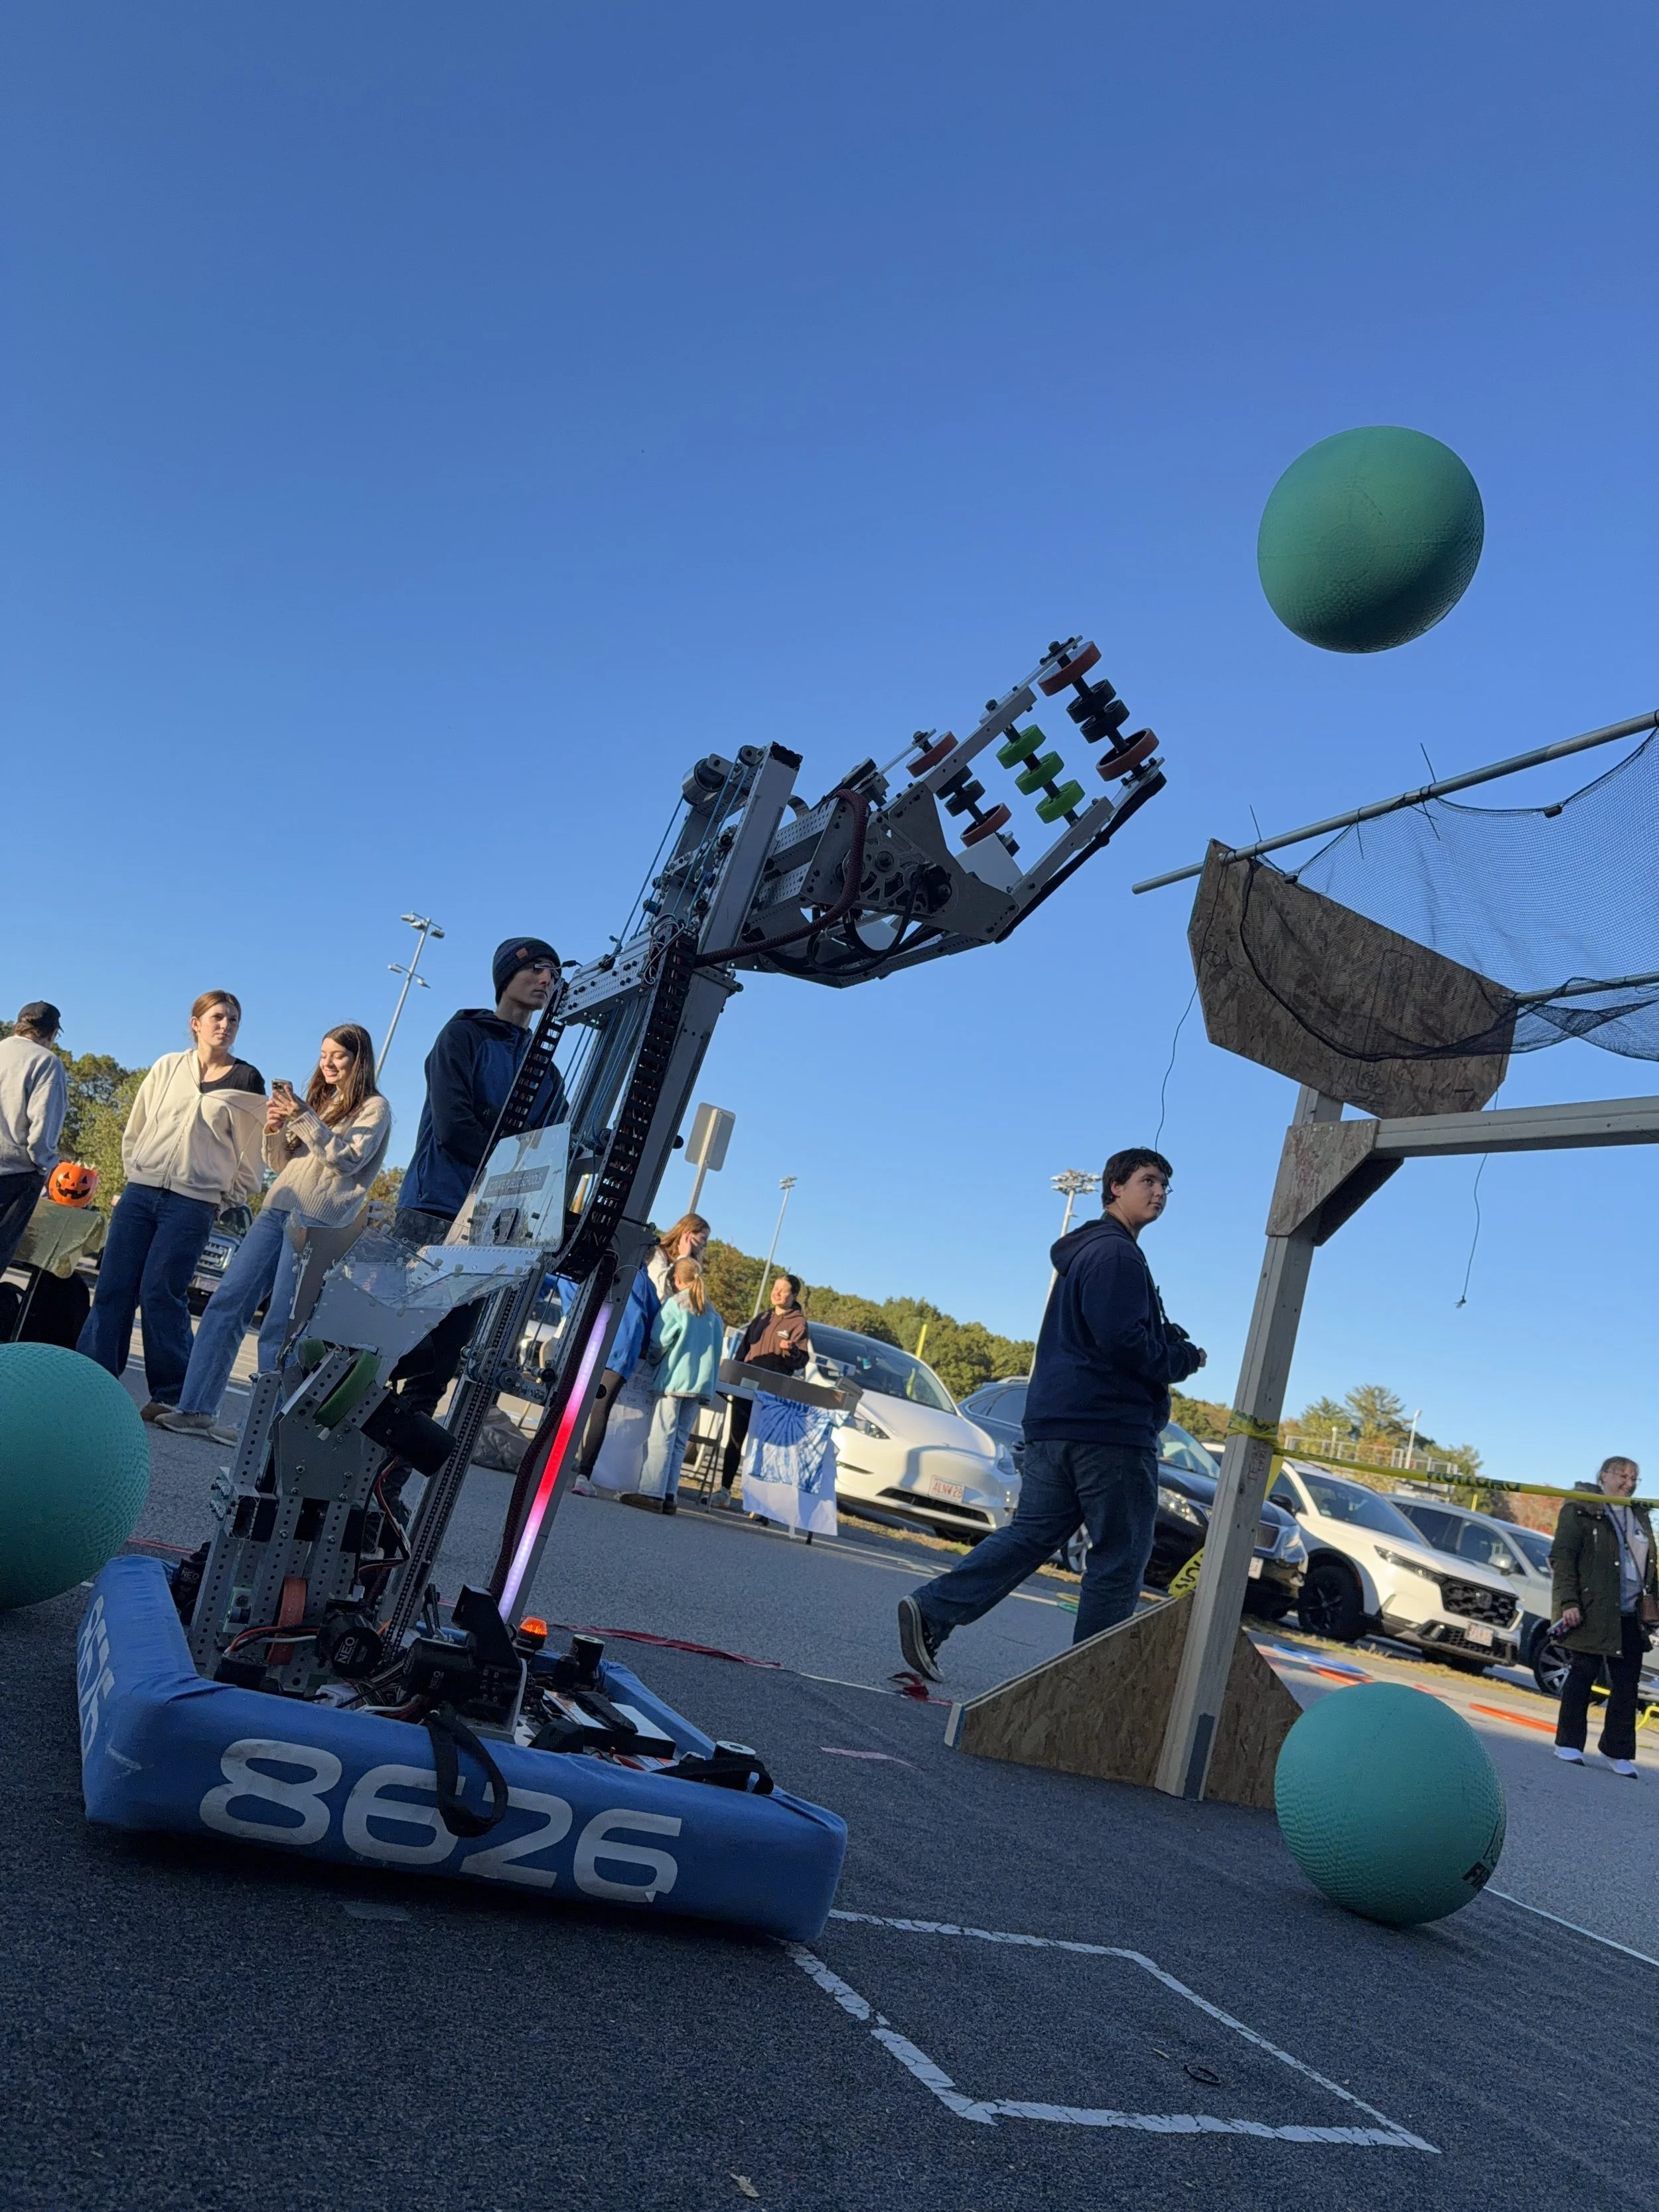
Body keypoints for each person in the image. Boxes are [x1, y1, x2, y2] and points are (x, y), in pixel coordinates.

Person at [897, 1145, 1206, 1682]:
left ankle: (933, 1610)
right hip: (1110, 1432)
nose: (1159, 1193)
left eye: (1165, 1187)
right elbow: (1122, 1342)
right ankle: (1089, 1686)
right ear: (1114, 1187)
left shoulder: (1088, 1253)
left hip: (1055, 1426)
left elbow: (1102, 1336)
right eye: (1149, 1181)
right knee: (1121, 1555)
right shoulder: (1117, 1255)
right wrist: (1182, 1357)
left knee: (1031, 1536)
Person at [159, 1025, 391, 1441]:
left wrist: (305, 1118)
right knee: (227, 1302)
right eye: (323, 1054)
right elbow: (281, 1163)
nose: (328, 1063)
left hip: (317, 1222)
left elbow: (347, 1161)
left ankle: (263, 1434)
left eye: (338, 1055)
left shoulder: (374, 1108)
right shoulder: (322, 1101)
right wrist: (274, 1129)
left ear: (359, 1061)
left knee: (281, 1326)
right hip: (275, 1210)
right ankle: (195, 1408)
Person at [388, 936, 563, 1419]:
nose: (546, 979)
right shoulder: (464, 1035)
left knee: (439, 1364)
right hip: (435, 1207)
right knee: (386, 1345)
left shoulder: (547, 1071)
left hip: (491, 1228)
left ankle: (386, 1485)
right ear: (505, 978)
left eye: (553, 972)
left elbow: (547, 1150)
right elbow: (452, 1126)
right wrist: (510, 1146)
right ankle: (335, 1473)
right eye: (535, 969)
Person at [77, 992, 265, 1418]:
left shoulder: (247, 1081)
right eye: (217, 1017)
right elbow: (137, 1126)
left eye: (234, 1019)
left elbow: (249, 1156)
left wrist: (222, 1199)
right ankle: (92, 1382)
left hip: (193, 1204)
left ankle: (174, 1396)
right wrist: (136, 1174)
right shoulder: (167, 1067)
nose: (226, 1025)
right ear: (195, 1023)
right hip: (140, 1194)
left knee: (162, 1291)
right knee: (113, 1287)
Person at [574, 1211, 710, 1481]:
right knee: (595, 1406)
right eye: (701, 1239)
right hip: (622, 1349)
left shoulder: (640, 1274)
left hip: (611, 1344)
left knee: (589, 1405)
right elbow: (661, 1306)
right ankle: (584, 1472)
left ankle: (574, 1466)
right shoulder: (654, 1267)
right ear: (686, 1233)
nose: (702, 1246)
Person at [1550, 1455, 1658, 1779]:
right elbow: (1563, 1558)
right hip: (1593, 1607)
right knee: (1583, 1674)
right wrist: (1568, 1602)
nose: (1629, 1483)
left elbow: (1650, 1564)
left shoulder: (1640, 1514)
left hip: (1630, 1612)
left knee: (1626, 1685)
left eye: (1634, 1478)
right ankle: (1568, 1743)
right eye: (1622, 1476)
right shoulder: (1581, 1508)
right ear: (1603, 1476)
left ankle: (1618, 1751)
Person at [628, 1255, 724, 1514]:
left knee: (662, 1436)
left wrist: (653, 1359)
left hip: (674, 1379)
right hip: (700, 1385)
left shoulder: (675, 1304)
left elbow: (660, 1340)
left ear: (677, 1279)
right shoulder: (712, 1313)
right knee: (680, 1440)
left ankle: (651, 1491)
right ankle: (670, 1494)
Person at [716, 1273, 810, 1505]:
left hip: (772, 1395)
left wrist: (790, 1350)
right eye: (775, 1287)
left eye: (783, 1290)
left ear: (794, 1295)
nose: (776, 1292)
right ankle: (724, 1491)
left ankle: (759, 1502)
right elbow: (744, 1351)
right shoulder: (763, 1317)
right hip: (746, 1387)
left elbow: (800, 1363)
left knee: (763, 1447)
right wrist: (733, 1376)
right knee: (735, 1440)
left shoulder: (798, 1323)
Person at [0, 1001, 70, 1274]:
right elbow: (43, 1127)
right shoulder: (46, 1062)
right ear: (52, 1034)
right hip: (14, 1176)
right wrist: (46, 1164)